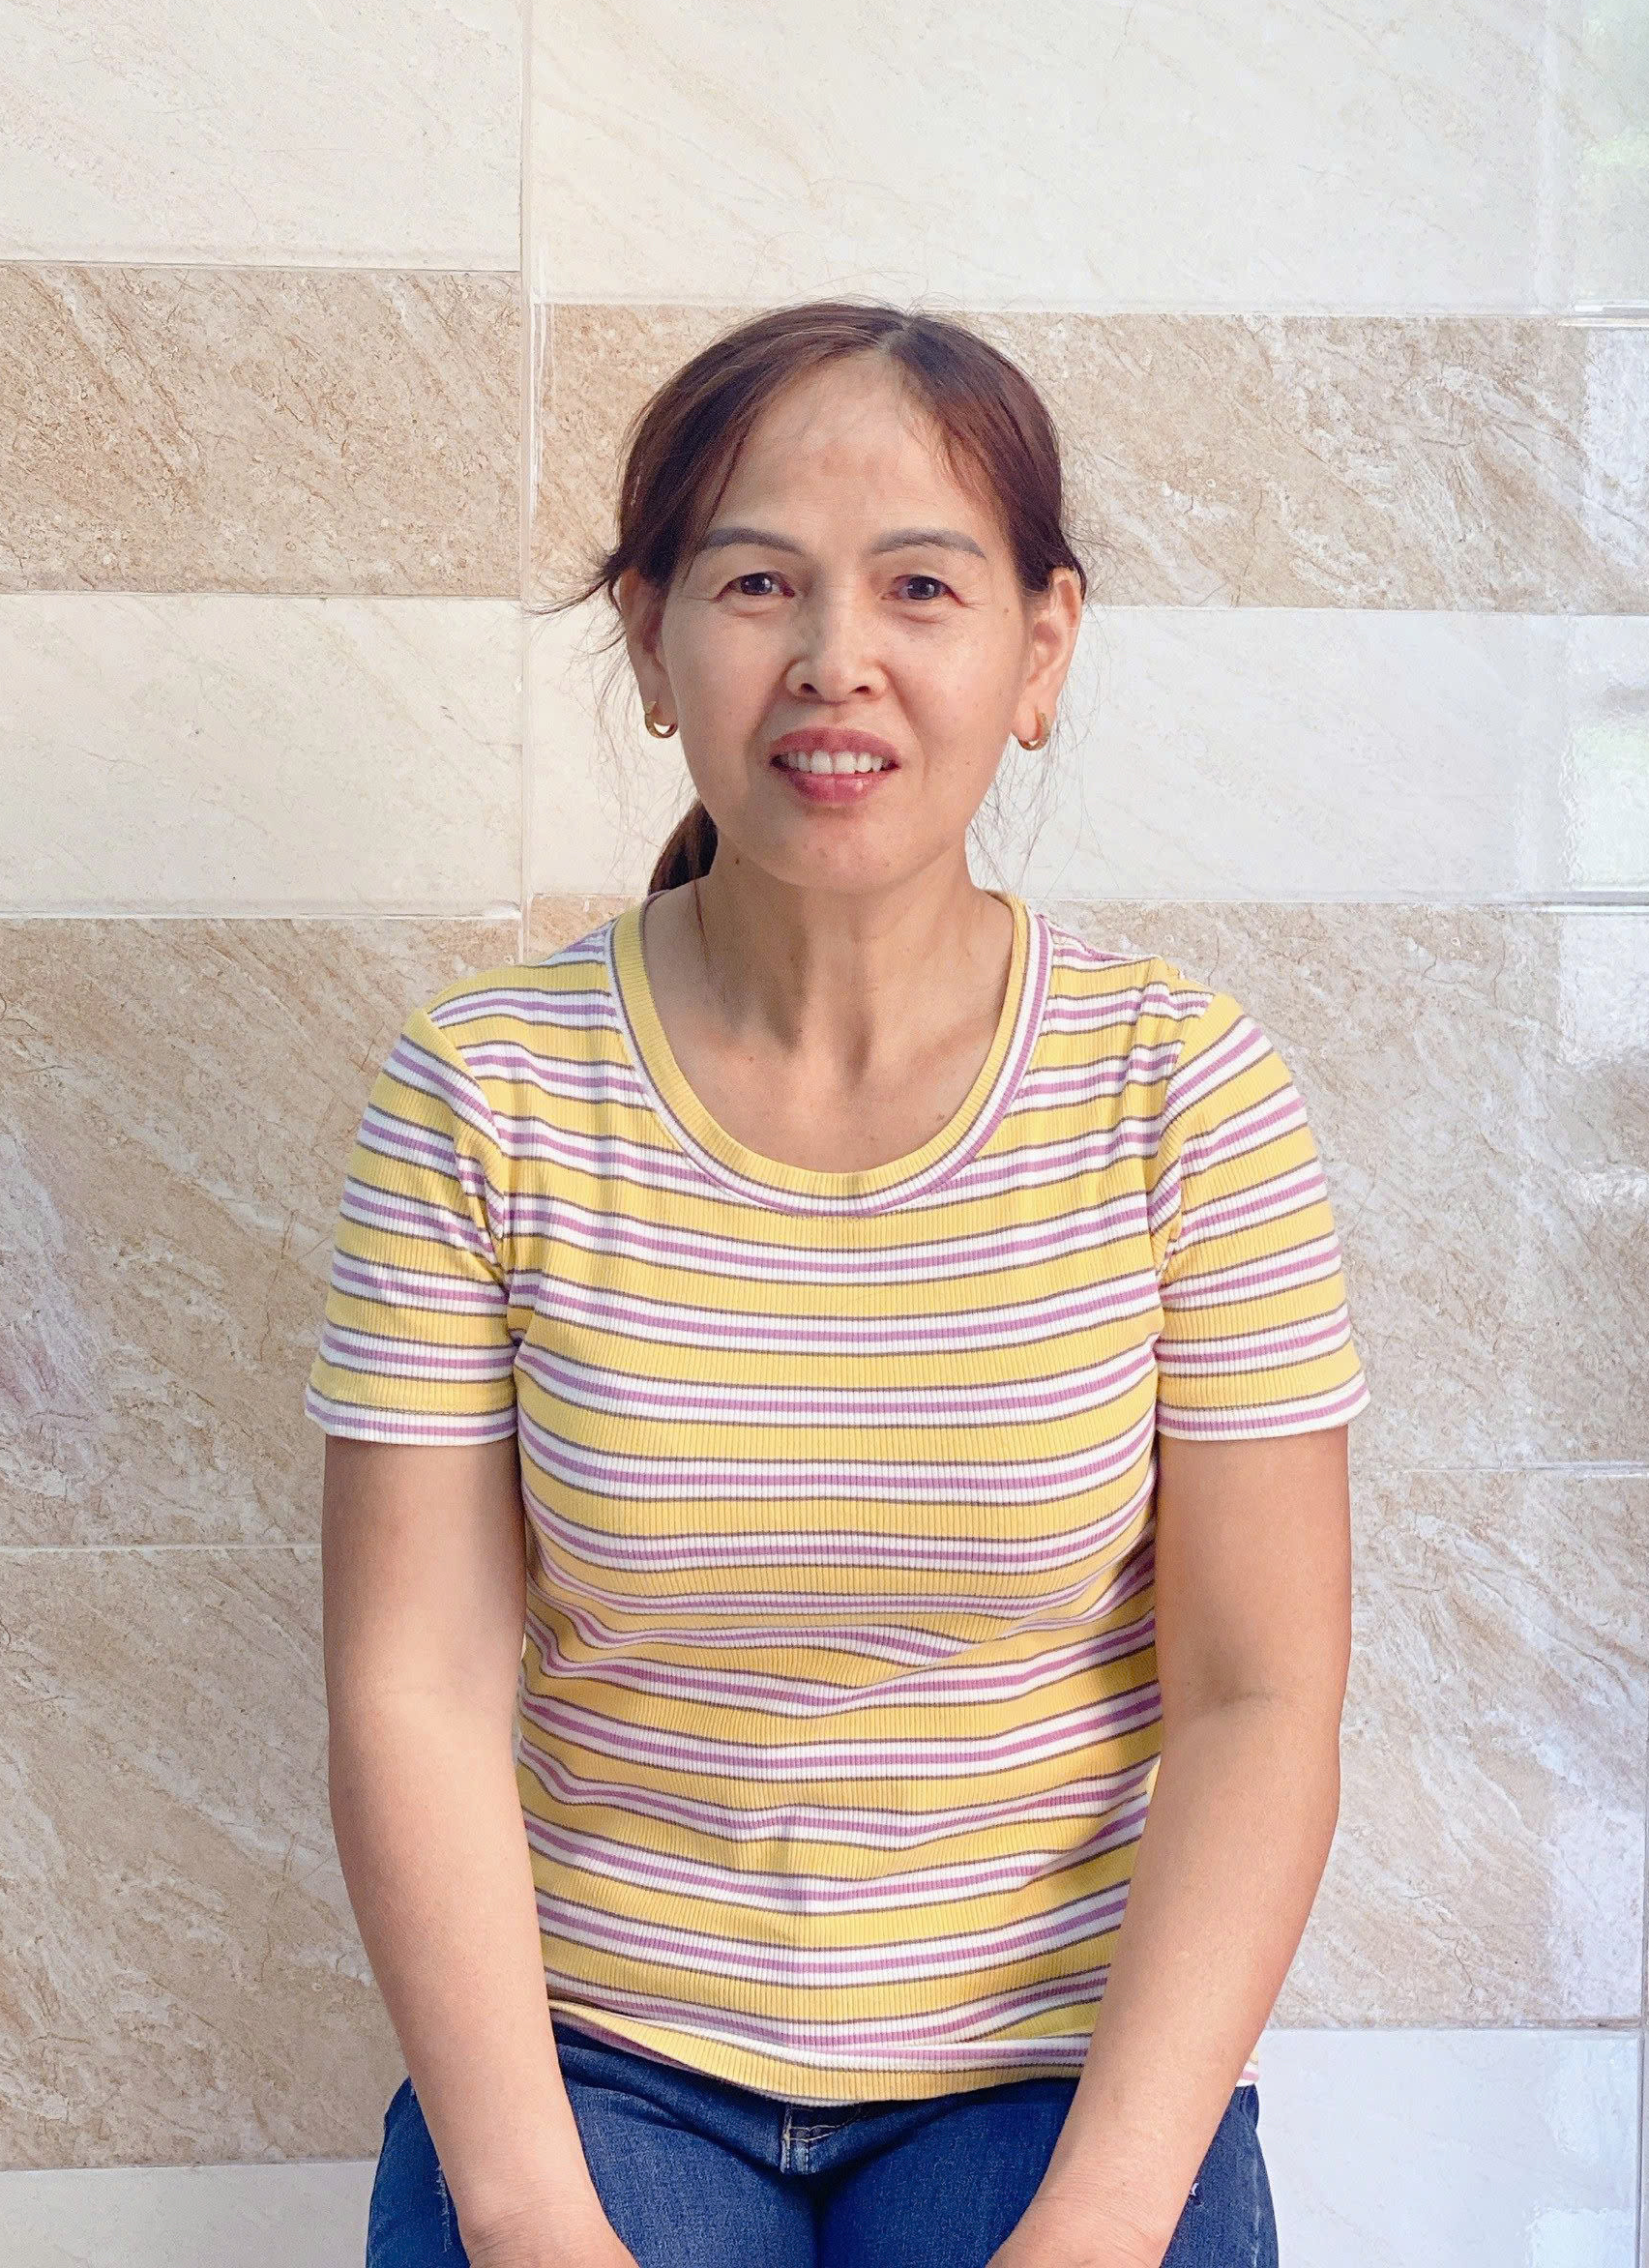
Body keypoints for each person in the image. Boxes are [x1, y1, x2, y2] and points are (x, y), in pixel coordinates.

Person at [305, 301, 1372, 2268]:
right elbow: (414, 1687)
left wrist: (1101, 2220)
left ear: (1040, 649)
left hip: (1056, 2076)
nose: (834, 658)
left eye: (920, 587)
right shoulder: (484, 1093)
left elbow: (1258, 1698)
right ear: (651, 641)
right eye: (758, 583)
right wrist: (529, 2213)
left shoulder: (1181, 1095)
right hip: (602, 2064)